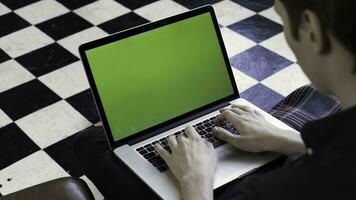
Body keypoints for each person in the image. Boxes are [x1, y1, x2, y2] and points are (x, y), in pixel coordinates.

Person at [74, 0, 356, 199]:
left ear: (312, 30)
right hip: (290, 151)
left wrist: (195, 180)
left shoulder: (283, 189)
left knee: (92, 142)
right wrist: (288, 141)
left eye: (282, 18)